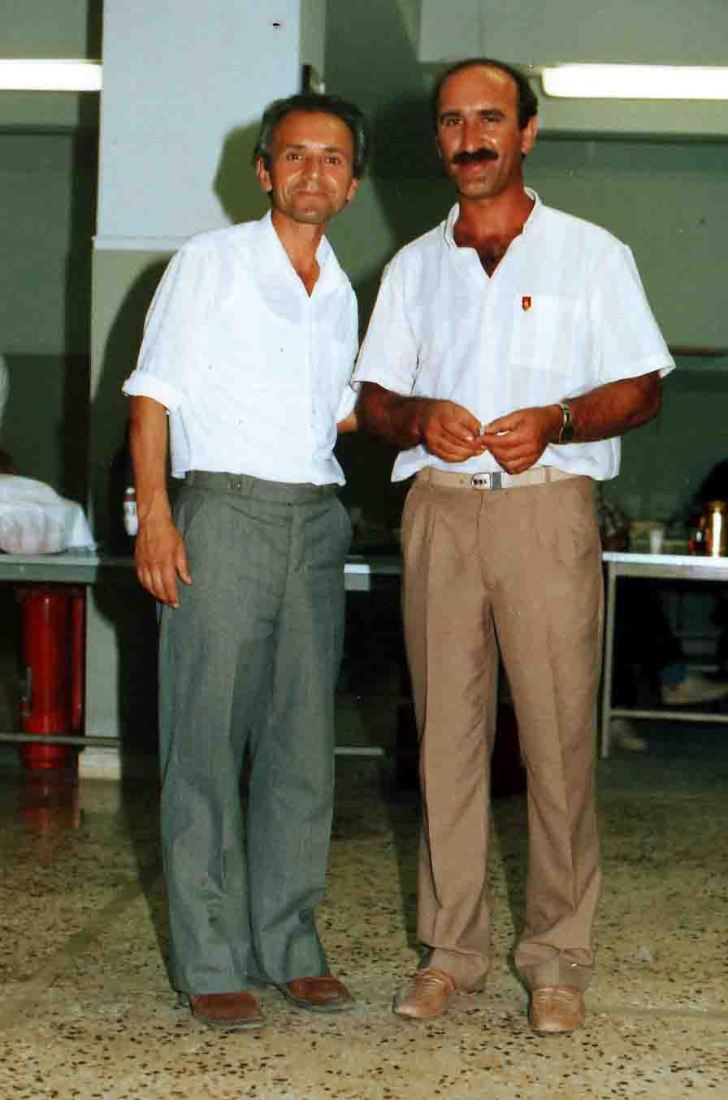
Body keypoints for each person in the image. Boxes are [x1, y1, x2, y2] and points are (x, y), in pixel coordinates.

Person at [354, 58, 674, 1035]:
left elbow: (643, 387)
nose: (470, 138)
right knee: (444, 743)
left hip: (546, 510)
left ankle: (557, 958)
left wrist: (561, 418)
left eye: (489, 118)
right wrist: (416, 415)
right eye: (453, 121)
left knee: (556, 741)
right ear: (437, 138)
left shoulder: (591, 254)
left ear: (526, 132)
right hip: (440, 512)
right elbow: (373, 401)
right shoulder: (412, 267)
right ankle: (450, 951)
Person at [123, 92, 368, 1031]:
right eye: (295, 155)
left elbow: (337, 414)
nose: (314, 171)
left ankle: (290, 944)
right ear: (264, 171)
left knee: (303, 744)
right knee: (206, 740)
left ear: (352, 183)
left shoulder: (341, 291)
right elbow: (151, 396)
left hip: (316, 521)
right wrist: (156, 517)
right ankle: (211, 957)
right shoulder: (211, 262)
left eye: (333, 158)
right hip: (223, 514)